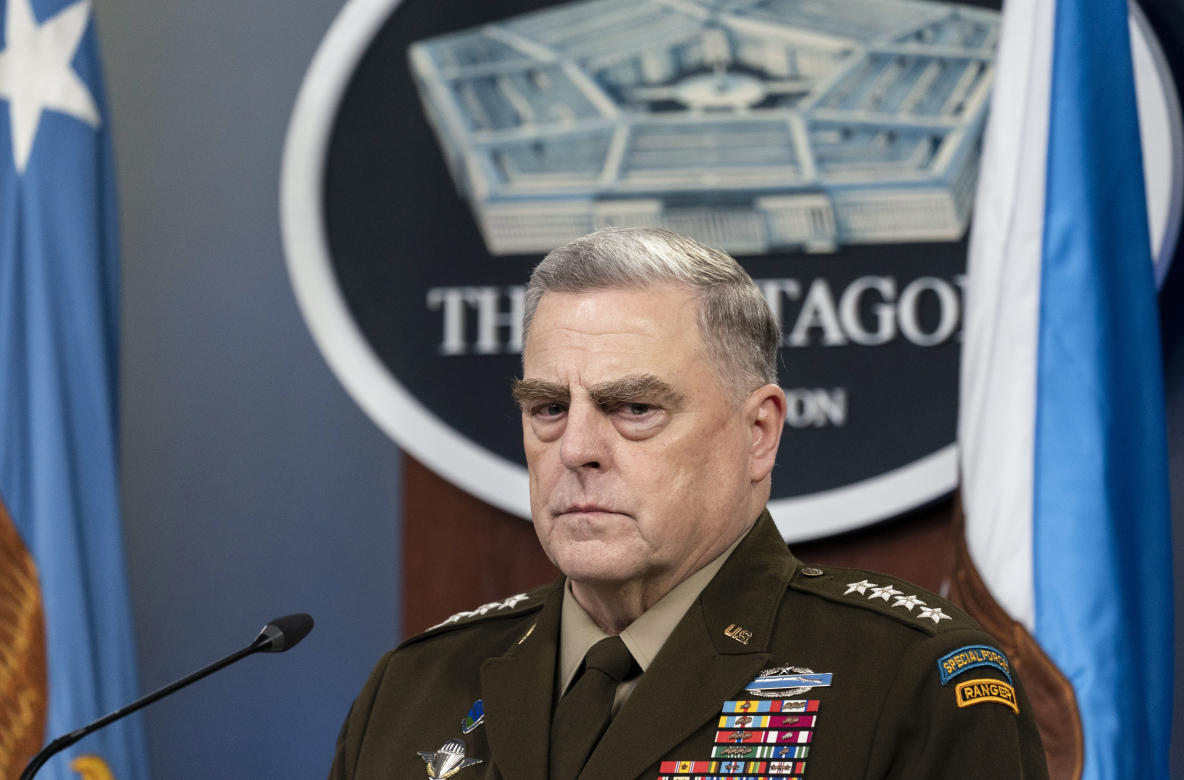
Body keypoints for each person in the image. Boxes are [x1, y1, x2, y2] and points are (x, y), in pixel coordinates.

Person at [330, 228, 1047, 779]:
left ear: (757, 431)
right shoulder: (412, 689)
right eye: (548, 407)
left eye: (634, 407)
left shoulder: (909, 678)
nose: (576, 447)